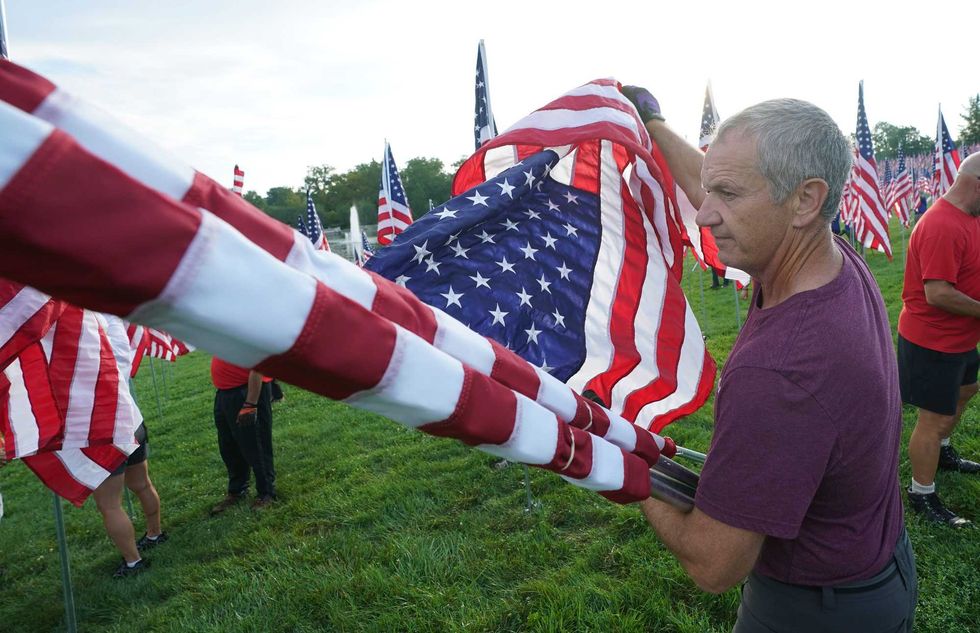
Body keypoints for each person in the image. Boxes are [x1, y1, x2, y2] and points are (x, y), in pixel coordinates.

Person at [621, 86, 915, 632]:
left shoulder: (780, 371)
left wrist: (623, 462)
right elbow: (710, 182)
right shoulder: (824, 254)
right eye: (710, 189)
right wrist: (655, 125)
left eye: (727, 194)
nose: (704, 213)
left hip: (815, 610)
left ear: (804, 199)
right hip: (876, 565)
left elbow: (714, 565)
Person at [897, 153, 980, 527]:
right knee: (933, 418)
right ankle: (921, 493)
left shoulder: (970, 218)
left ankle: (943, 453)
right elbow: (938, 293)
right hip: (933, 341)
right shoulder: (941, 225)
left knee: (967, 389)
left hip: (961, 337)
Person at [92, 423, 167, 578]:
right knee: (143, 485)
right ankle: (155, 534)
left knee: (109, 505)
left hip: (103, 435)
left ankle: (133, 562)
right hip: (131, 423)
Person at [209, 358, 277, 513]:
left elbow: (259, 363)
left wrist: (251, 403)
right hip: (225, 393)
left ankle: (266, 493)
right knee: (229, 446)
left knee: (256, 444)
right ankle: (237, 490)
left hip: (246, 392)